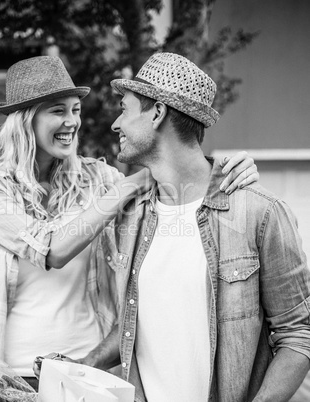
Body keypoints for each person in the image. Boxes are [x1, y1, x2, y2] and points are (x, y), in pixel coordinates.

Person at [0, 55, 258, 391]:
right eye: (58, 111)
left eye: (76, 110)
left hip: (87, 374)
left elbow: (176, 176)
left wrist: (225, 168)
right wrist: (128, 185)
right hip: (9, 373)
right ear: (25, 120)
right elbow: (50, 249)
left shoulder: (98, 179)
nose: (72, 121)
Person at [43, 52, 310, 402]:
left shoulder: (258, 212)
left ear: (157, 113)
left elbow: (298, 334)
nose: (115, 124)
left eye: (124, 109)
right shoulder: (131, 216)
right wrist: (82, 365)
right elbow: (138, 323)